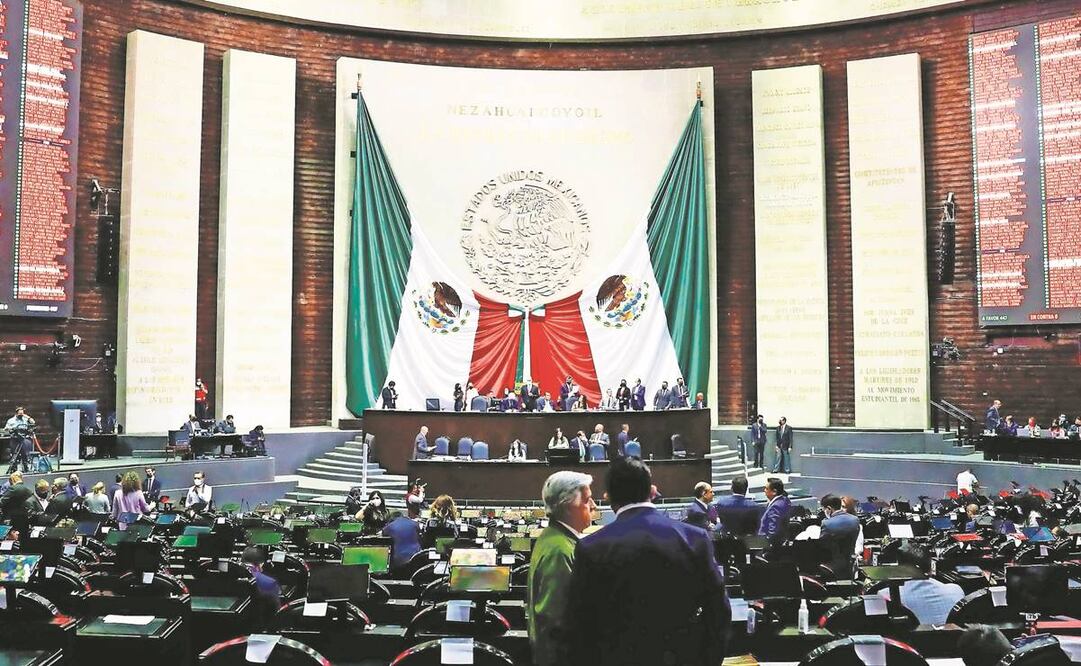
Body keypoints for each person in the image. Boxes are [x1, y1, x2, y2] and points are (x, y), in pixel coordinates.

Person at [565, 458, 730, 665]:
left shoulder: (591, 548)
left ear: (610, 497)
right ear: (650, 490)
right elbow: (718, 611)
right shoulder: (695, 538)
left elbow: (580, 624)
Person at [528, 471, 595, 666]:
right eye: (587, 500)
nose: (593, 506)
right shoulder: (560, 550)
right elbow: (556, 621)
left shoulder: (554, 538)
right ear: (568, 506)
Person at [819, 494, 860, 579]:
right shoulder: (855, 520)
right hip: (849, 564)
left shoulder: (826, 523)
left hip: (831, 566)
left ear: (829, 509)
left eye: (824, 510)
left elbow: (822, 545)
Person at [241, 546, 282, 627]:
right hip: (255, 629)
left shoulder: (223, 578)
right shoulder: (269, 582)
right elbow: (276, 613)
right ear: (261, 564)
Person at [758, 477, 792, 545]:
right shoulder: (784, 500)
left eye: (766, 488)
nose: (764, 490)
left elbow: (773, 532)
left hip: (767, 547)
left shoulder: (776, 507)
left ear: (774, 492)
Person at [5, 407, 35, 474]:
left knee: (24, 454)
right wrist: (12, 429)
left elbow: (33, 423)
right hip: (15, 439)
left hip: (24, 439)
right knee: (15, 454)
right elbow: (6, 430)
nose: (21, 415)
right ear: (16, 413)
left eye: (22, 413)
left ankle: (25, 468)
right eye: (20, 414)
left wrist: (27, 417)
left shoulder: (25, 419)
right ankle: (14, 469)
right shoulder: (11, 420)